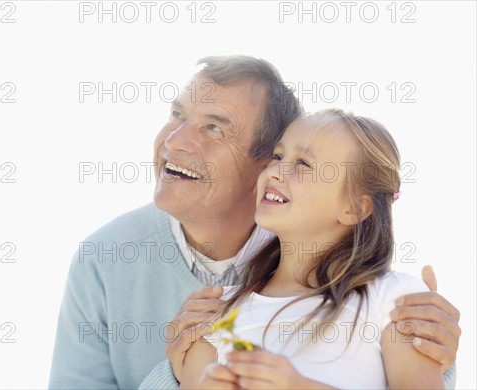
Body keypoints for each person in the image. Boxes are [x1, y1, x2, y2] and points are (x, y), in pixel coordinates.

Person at [48, 56, 460, 390]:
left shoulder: (395, 299)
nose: (174, 142)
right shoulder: (122, 265)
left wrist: (435, 357)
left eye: (213, 127)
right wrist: (177, 373)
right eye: (177, 114)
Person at [179, 109, 445, 389]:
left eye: (303, 163)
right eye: (278, 156)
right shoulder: (218, 310)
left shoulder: (395, 299)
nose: (275, 171)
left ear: (355, 208)